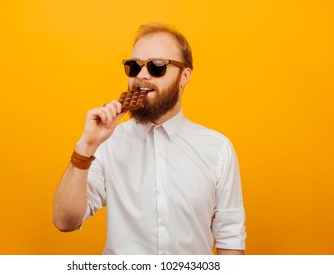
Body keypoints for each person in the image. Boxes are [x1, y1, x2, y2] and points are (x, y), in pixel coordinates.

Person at [53, 23, 246, 255]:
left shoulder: (218, 149)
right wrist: (86, 146)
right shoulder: (108, 144)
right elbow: (64, 221)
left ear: (184, 76)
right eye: (134, 66)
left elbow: (230, 242)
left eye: (156, 67)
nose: (141, 75)